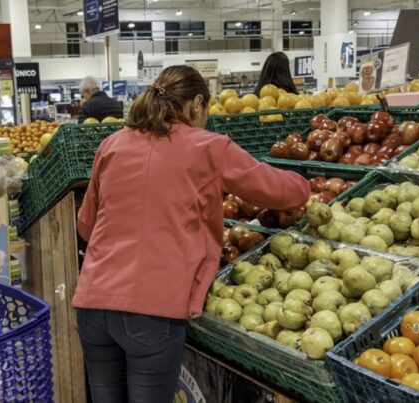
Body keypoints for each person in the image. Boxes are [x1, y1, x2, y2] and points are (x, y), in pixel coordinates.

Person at [72, 65, 310, 403]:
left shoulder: (112, 144)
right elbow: (277, 190)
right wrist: (306, 184)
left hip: (93, 304)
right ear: (197, 103)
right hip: (152, 311)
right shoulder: (208, 147)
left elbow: (86, 225)